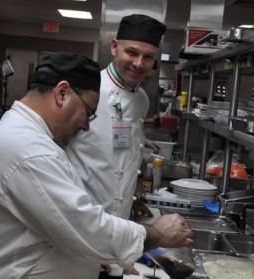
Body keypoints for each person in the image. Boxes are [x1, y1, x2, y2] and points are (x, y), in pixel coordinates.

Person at [0, 52, 193, 279]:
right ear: (62, 93)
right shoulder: (27, 150)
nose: (86, 126)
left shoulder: (30, 136)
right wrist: (157, 234)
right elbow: (88, 229)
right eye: (88, 112)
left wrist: (89, 257)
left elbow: (56, 223)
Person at [64, 14, 166, 278]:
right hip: (78, 225)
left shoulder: (142, 99)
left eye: (148, 57)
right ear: (113, 47)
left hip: (117, 227)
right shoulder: (85, 92)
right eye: (131, 52)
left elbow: (121, 156)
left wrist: (130, 200)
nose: (138, 63)